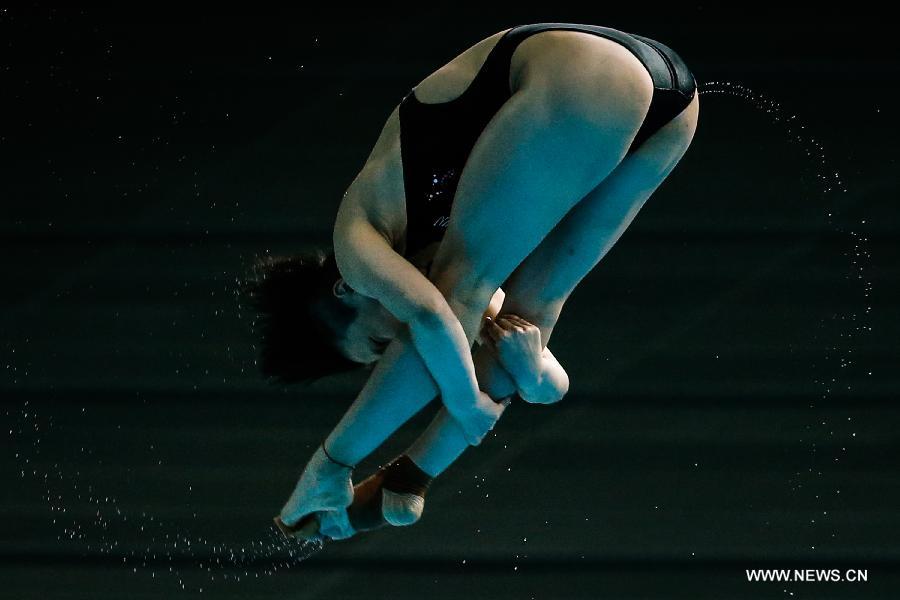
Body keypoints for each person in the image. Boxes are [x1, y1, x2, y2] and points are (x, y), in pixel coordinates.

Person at [244, 23, 699, 541]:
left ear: (344, 291)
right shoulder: (449, 263)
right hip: (673, 109)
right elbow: (519, 338)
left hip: (590, 69)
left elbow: (434, 318)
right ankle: (408, 479)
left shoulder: (357, 240)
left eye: (376, 338)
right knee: (535, 308)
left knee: (457, 297)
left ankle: (330, 473)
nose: (395, 344)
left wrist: (334, 459)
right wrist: (518, 379)